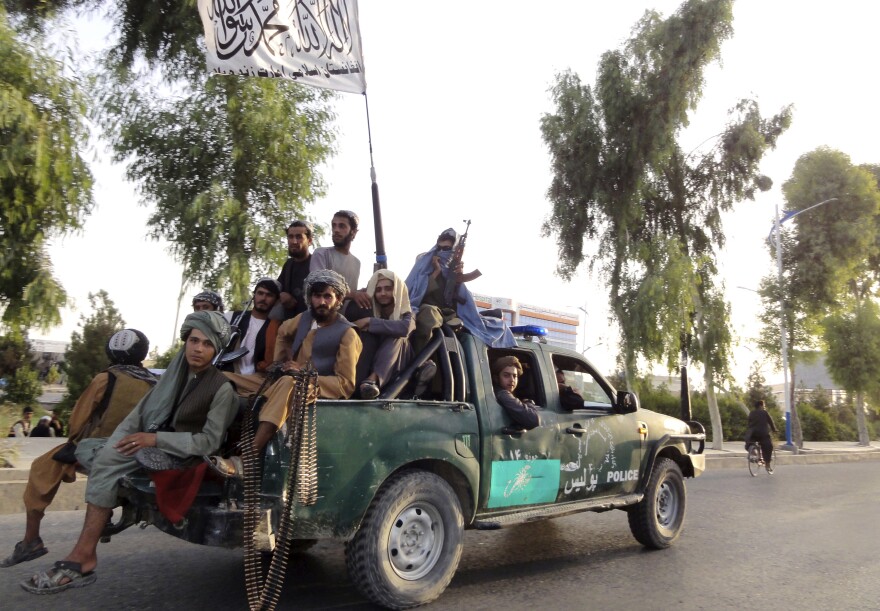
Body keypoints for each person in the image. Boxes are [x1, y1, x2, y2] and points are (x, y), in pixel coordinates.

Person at [21, 312, 238, 595]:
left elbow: (208, 442)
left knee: (106, 465)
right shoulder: (174, 375)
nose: (198, 348)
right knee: (93, 450)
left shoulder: (222, 389)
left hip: (186, 455)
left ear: (216, 350)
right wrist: (119, 442)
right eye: (194, 341)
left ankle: (83, 556)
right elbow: (137, 416)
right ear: (186, 342)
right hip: (153, 443)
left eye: (207, 344)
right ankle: (98, 519)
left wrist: (154, 439)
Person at [2, 329, 157, 569]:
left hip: (98, 447)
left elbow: (77, 421)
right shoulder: (154, 383)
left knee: (41, 468)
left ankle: (30, 541)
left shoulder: (106, 378)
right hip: (139, 451)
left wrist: (76, 442)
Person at [209, 270, 362, 477]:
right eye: (317, 296)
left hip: (311, 387)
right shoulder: (304, 318)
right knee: (220, 377)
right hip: (283, 379)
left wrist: (305, 374)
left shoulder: (348, 333)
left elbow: (345, 384)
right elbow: (283, 332)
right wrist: (279, 362)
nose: (322, 302)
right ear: (310, 298)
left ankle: (246, 460)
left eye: (328, 296)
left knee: (289, 383)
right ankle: (206, 446)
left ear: (338, 300)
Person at [406, 228, 515, 354]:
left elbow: (460, 300)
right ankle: (419, 357)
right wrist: (436, 273)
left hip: (449, 314)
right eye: (439, 248)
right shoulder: (424, 266)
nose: (441, 252)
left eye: (446, 249)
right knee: (429, 314)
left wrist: (458, 279)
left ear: (453, 250)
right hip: (425, 309)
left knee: (495, 325)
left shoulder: (453, 270)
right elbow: (417, 293)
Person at [353, 270, 416, 399]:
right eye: (378, 290)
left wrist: (370, 322)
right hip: (372, 361)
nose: (383, 293)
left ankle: (372, 380)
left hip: (400, 365)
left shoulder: (408, 312)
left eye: (388, 288)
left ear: (397, 290)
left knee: (397, 336)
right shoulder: (372, 312)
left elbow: (404, 329)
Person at [221, 278, 282, 392]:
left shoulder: (276, 328)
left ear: (276, 301)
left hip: (255, 379)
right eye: (260, 293)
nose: (263, 298)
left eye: (269, 295)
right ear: (254, 296)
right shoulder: (231, 317)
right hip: (229, 372)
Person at [310, 210, 371, 312]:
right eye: (334, 226)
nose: (336, 230)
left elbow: (348, 295)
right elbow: (319, 287)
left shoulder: (356, 262)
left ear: (353, 232)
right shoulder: (321, 253)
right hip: (321, 315)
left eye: (342, 226)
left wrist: (361, 293)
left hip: (345, 318)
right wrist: (353, 294)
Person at [277, 220, 314, 320]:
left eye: (299, 237)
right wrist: (282, 295)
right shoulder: (288, 265)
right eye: (290, 237)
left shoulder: (316, 264)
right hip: (288, 324)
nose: (294, 241)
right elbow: (276, 288)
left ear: (310, 241)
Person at [492, 355, 540, 430]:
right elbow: (533, 420)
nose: (512, 380)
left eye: (515, 376)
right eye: (506, 375)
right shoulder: (502, 394)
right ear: (496, 378)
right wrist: (528, 403)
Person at [745, 399, 778, 473]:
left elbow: (748, 423)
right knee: (768, 446)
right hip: (763, 434)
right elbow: (770, 422)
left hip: (752, 434)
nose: (764, 407)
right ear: (760, 406)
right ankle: (767, 464)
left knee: (749, 443)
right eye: (764, 405)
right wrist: (774, 429)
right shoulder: (764, 412)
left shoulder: (751, 413)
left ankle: (753, 452)